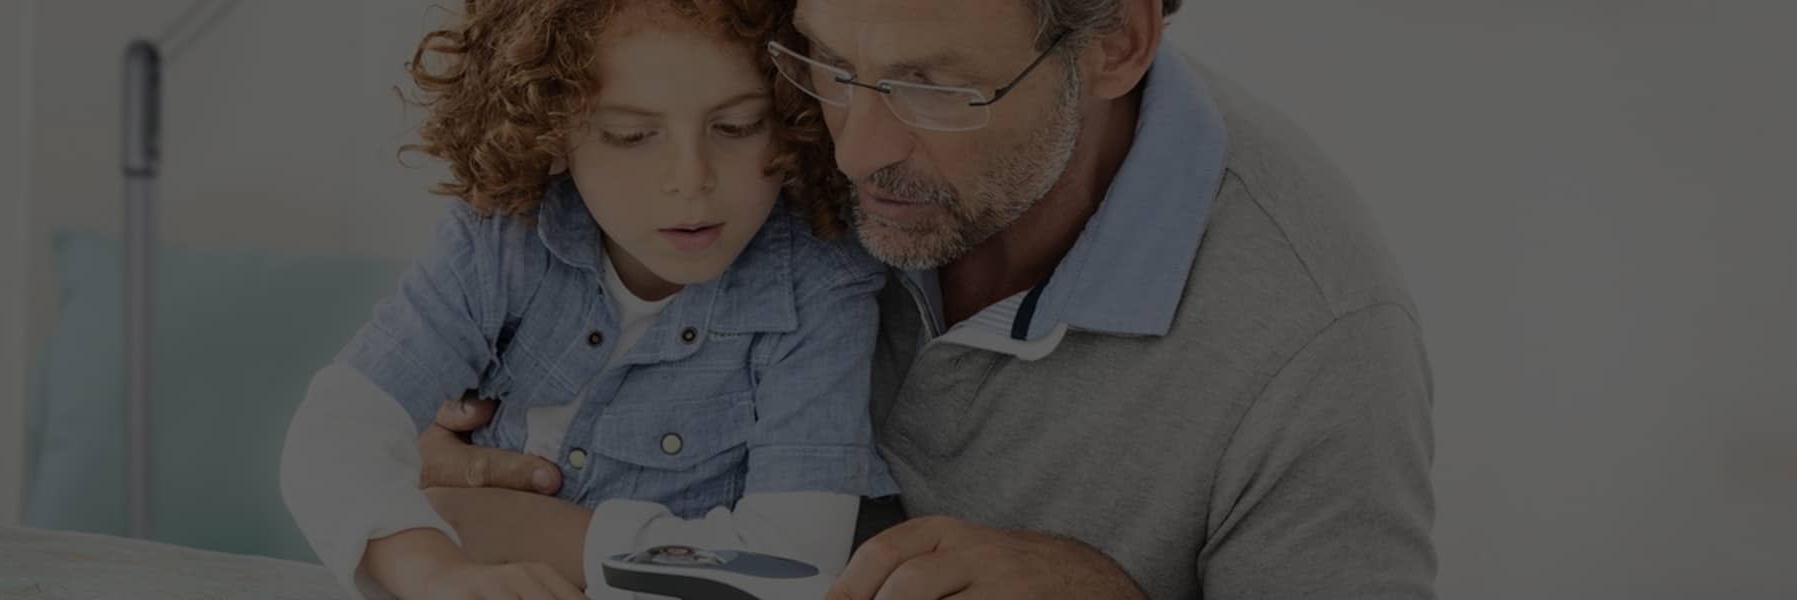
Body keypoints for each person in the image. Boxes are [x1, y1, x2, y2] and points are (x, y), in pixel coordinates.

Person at [416, 0, 1439, 597]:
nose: (853, 151)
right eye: (828, 62)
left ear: (1116, 43)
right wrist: (448, 446)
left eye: (935, 90)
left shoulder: (1317, 344)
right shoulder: (756, 99)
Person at [275, 0, 898, 598]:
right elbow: (337, 430)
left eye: (737, 126)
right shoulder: (497, 240)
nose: (692, 178)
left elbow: (793, 566)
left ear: (794, 116)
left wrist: (503, 526)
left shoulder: (821, 288)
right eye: (631, 135)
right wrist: (435, 570)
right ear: (551, 128)